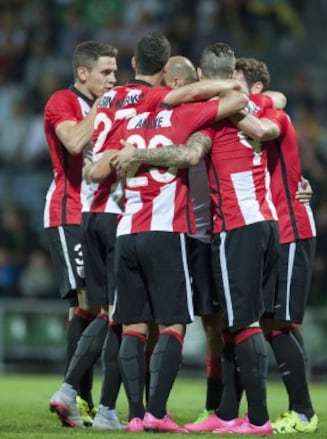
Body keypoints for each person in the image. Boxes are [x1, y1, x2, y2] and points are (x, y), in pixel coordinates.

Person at [112, 43, 279, 435]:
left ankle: (243, 416)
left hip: (212, 227)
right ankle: (222, 411)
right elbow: (265, 122)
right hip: (220, 226)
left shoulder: (143, 119)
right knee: (218, 324)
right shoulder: (244, 107)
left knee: (224, 323)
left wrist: (131, 155)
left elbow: (189, 154)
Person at [86, 69, 248, 432]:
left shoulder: (127, 129)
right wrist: (214, 87)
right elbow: (238, 96)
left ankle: (135, 415)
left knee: (133, 325)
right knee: (173, 323)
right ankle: (157, 411)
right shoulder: (185, 116)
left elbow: (95, 171)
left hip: (127, 230)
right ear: (181, 89)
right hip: (167, 231)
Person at [228, 56, 319, 434]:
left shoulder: (272, 114)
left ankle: (303, 412)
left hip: (291, 228)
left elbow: (267, 124)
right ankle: (288, 408)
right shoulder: (257, 107)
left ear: (255, 89)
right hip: (271, 229)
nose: (227, 88)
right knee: (272, 322)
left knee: (279, 323)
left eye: (234, 82)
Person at [44, 40, 118, 427]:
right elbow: (73, 142)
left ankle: (80, 397)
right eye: (106, 72)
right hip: (68, 212)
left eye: (116, 71)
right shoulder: (63, 101)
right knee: (89, 304)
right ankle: (78, 396)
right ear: (82, 73)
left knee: (91, 307)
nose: (113, 79)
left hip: (101, 215)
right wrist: (106, 107)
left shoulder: (111, 103)